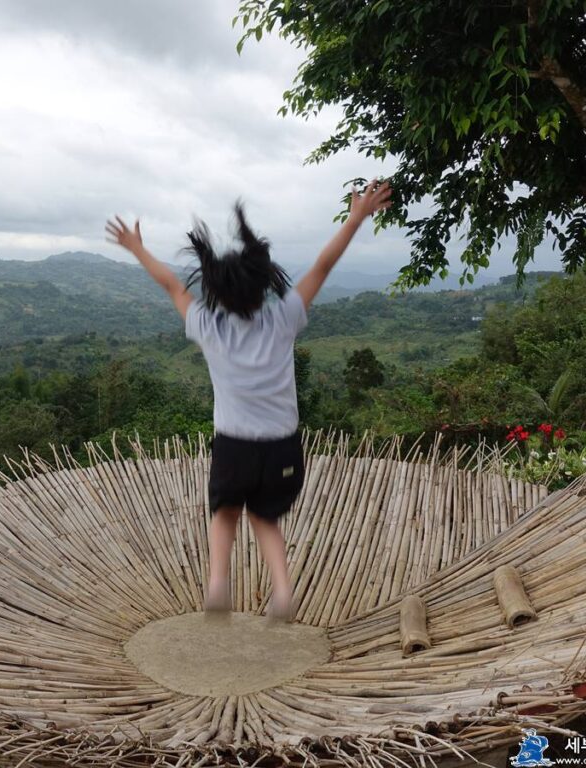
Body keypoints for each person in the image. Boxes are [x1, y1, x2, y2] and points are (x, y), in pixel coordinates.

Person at [105, 179, 392, 621]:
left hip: (234, 445)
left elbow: (172, 287)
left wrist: (137, 248)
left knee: (225, 514)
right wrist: (356, 217)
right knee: (266, 518)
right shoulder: (284, 318)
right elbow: (322, 266)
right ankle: (282, 590)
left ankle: (218, 583)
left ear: (216, 290)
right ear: (263, 284)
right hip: (282, 447)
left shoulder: (208, 327)